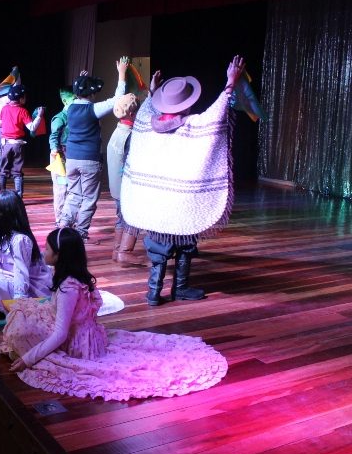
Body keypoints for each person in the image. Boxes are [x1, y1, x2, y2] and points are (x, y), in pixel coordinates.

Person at [0, 227, 228, 401]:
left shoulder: (69, 287)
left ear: (59, 255)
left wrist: (29, 359)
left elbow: (61, 334)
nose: (44, 252)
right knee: (22, 316)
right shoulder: (69, 279)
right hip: (80, 332)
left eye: (48, 249)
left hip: (78, 344)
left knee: (23, 328)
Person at [121, 55, 246, 305]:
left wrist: (153, 90)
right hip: (181, 204)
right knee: (185, 241)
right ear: (187, 105)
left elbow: (146, 109)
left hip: (155, 203)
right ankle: (180, 288)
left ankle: (153, 292)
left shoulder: (147, 123)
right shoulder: (194, 125)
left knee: (158, 246)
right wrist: (230, 82)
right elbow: (216, 115)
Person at [58, 57, 129, 243]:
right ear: (91, 94)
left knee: (74, 194)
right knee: (89, 198)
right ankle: (81, 233)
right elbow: (117, 99)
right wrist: (121, 73)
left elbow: (78, 94)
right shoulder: (93, 110)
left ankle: (63, 226)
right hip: (89, 160)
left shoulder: (70, 108)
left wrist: (82, 80)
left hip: (71, 159)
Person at [107, 70, 162, 266]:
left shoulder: (117, 131)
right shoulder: (130, 135)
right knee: (133, 217)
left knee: (122, 218)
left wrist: (151, 92)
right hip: (126, 187)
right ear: (132, 113)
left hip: (116, 188)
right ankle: (125, 252)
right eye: (138, 110)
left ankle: (117, 250)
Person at [0, 84, 44, 197]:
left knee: (2, 171)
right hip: (17, 145)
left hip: (5, 144)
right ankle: (18, 196)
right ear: (21, 98)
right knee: (17, 172)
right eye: (25, 96)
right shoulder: (23, 111)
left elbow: (0, 122)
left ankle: (0, 195)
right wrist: (39, 116)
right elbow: (32, 127)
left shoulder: (4, 109)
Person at [48, 87, 74, 226]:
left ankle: (69, 218)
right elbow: (53, 136)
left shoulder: (76, 116)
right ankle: (60, 219)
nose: (76, 102)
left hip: (72, 154)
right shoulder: (60, 117)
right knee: (61, 188)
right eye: (73, 99)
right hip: (59, 156)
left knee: (72, 188)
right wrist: (54, 149)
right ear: (65, 101)